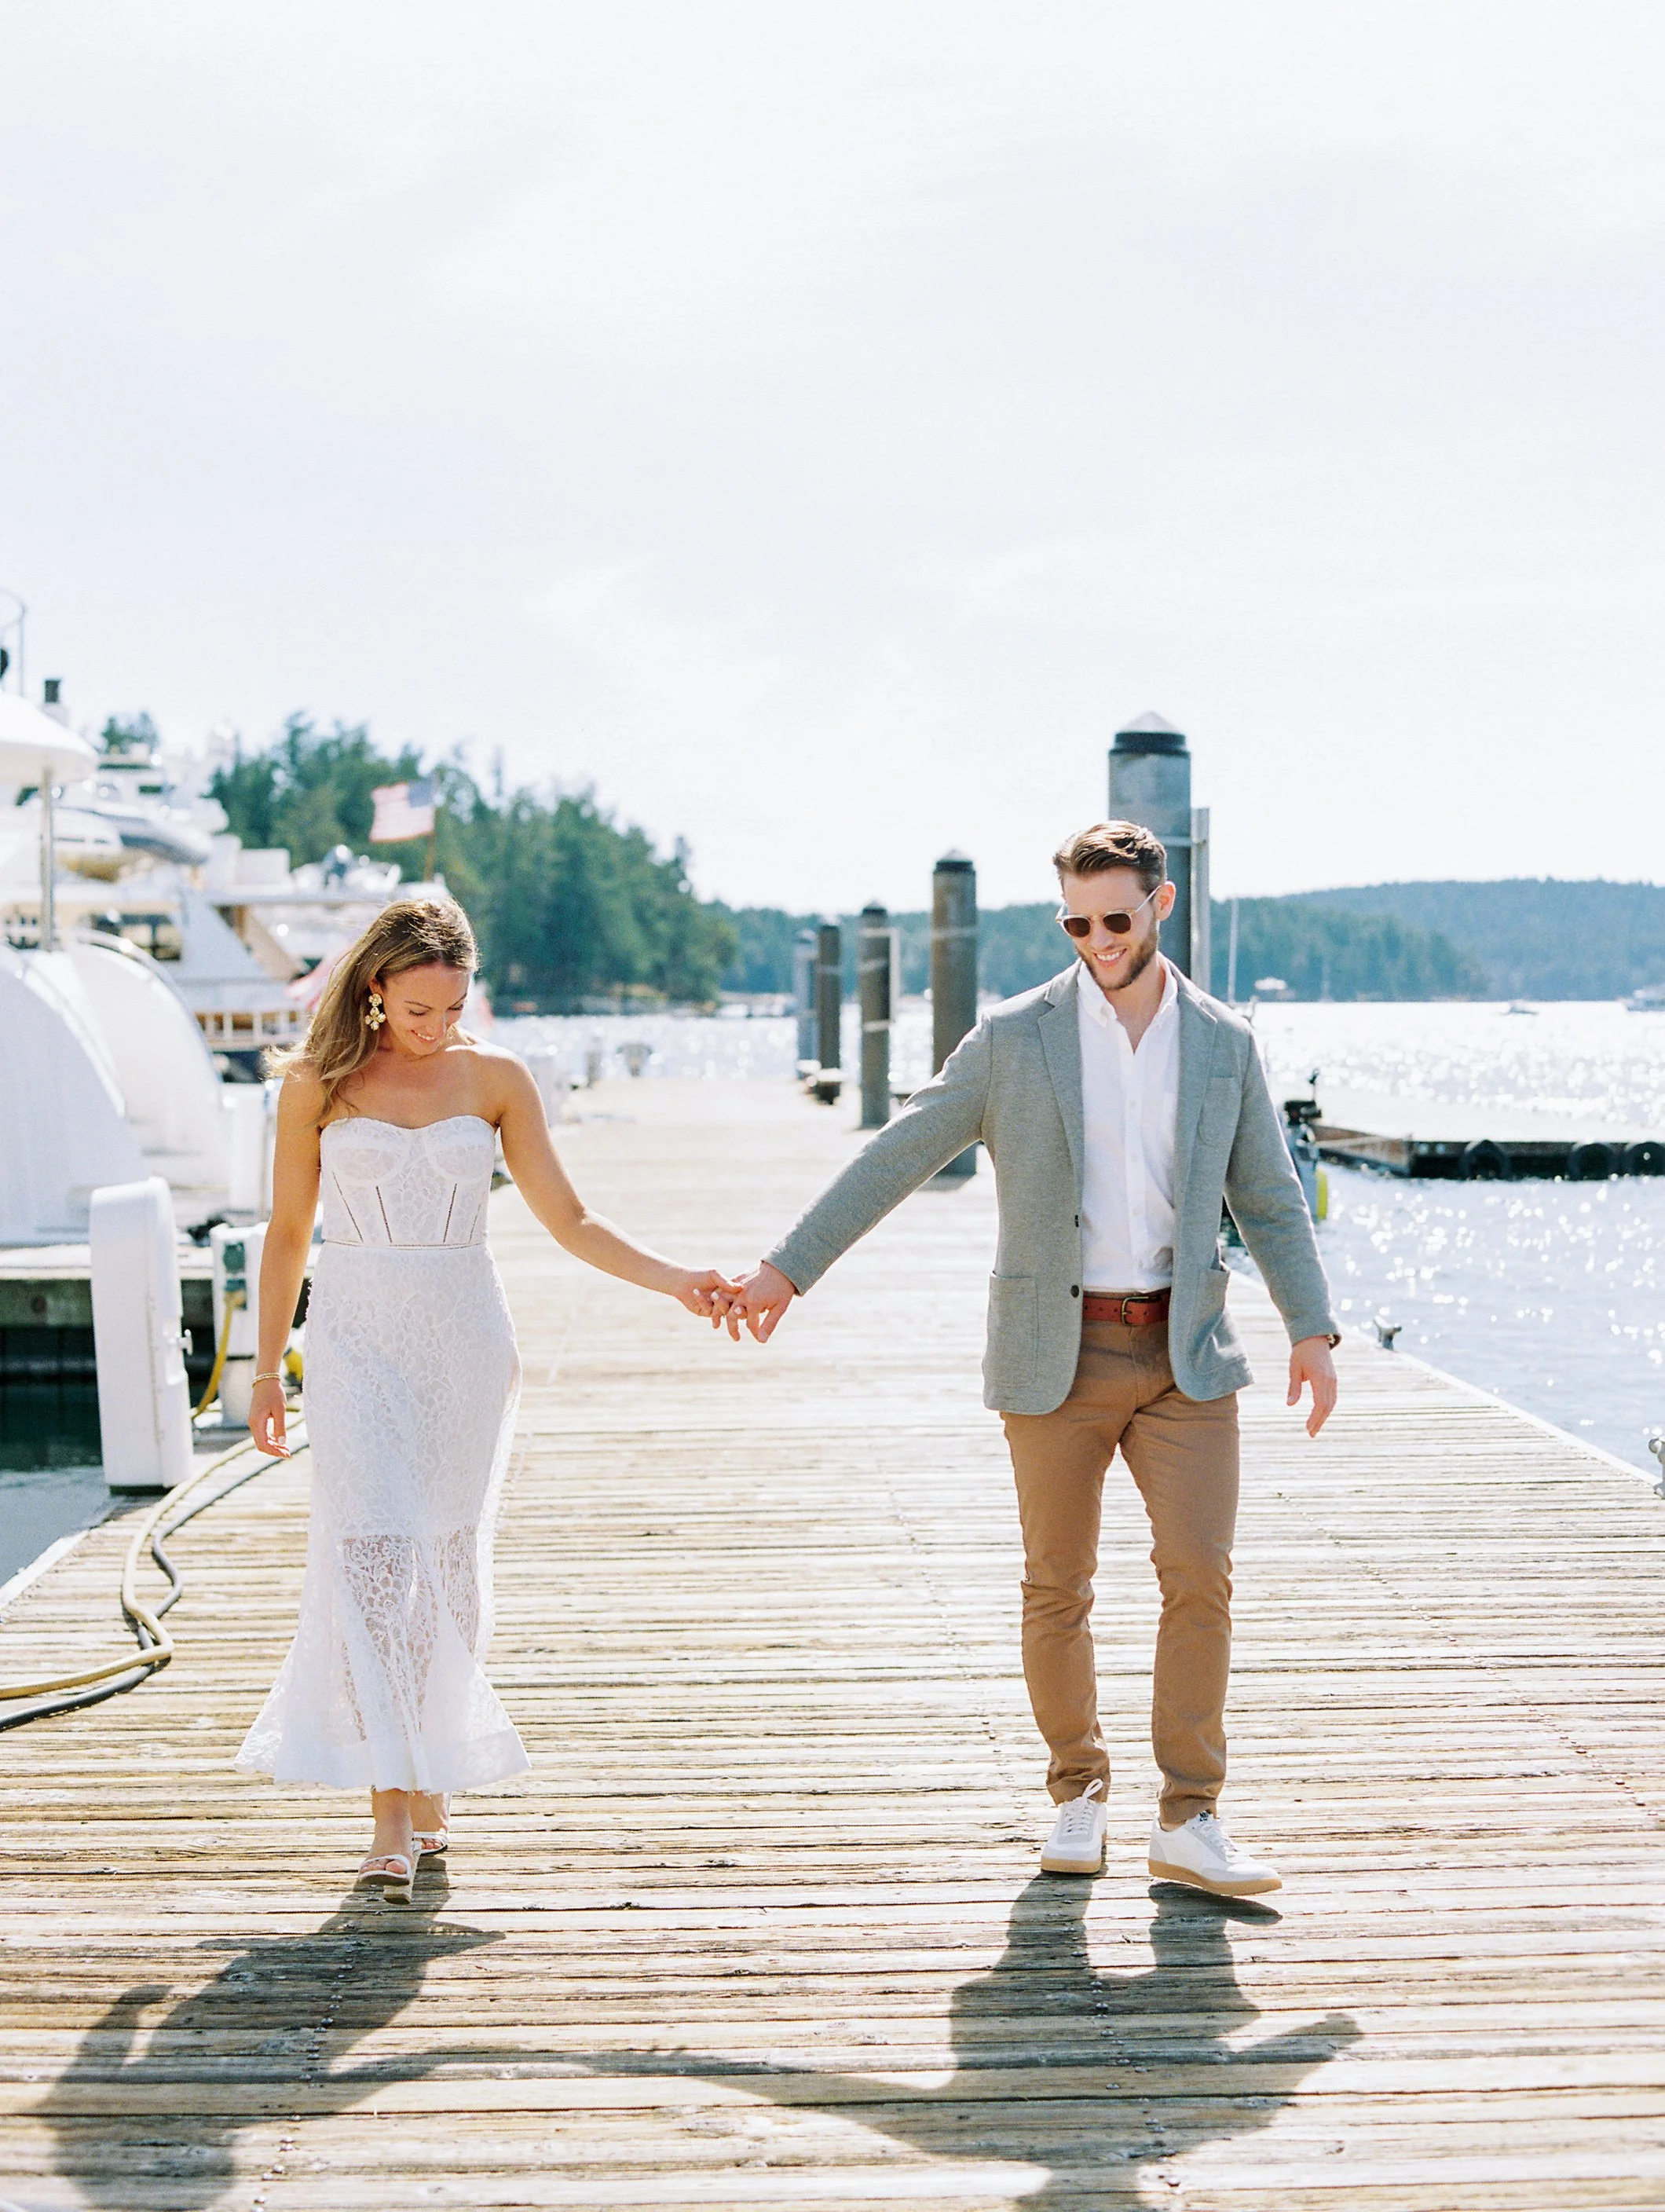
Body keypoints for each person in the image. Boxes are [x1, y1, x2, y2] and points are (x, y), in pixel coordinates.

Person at [719, 822, 1339, 1897]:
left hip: (1186, 1353)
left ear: (1162, 905)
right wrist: (786, 1270)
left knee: (1200, 1579)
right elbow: (901, 1152)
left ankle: (1190, 1818)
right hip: (1056, 1349)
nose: (1096, 940)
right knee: (1058, 1584)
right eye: (1075, 922)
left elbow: (1272, 1201)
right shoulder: (1015, 1038)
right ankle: (1078, 1796)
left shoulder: (1225, 1043)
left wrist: (1313, 1329)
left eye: (1115, 918)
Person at [238, 897, 734, 1900]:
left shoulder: (497, 1076)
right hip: (355, 1333)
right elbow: (288, 1232)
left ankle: (430, 1768)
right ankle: (391, 1806)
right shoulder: (315, 1084)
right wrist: (263, 1370)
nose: (438, 1025)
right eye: (419, 1007)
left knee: (446, 1565)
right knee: (370, 1557)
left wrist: (678, 1277)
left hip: (464, 1334)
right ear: (374, 987)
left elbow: (572, 1217)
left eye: (455, 1005)